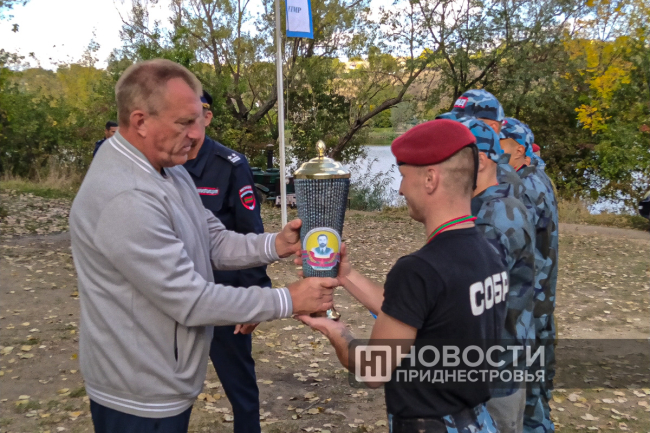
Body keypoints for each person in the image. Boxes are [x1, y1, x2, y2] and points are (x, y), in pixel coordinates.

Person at [69, 59, 338, 433]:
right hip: (138, 395)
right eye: (184, 123)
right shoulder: (125, 196)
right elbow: (190, 300)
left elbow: (212, 239)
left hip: (163, 379)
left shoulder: (170, 169)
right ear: (140, 121)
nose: (197, 134)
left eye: (199, 119)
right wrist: (288, 299)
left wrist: (277, 244)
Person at [299, 119, 507, 433]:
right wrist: (347, 275)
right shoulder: (490, 252)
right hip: (478, 422)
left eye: (404, 176)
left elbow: (373, 371)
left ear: (430, 179)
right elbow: (419, 312)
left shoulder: (420, 269)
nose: (400, 189)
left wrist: (335, 330)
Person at [183, 90, 267, 433]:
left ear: (208, 116)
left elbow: (250, 231)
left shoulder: (230, 165)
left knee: (239, 385)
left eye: (193, 116)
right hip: (176, 293)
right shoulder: (162, 164)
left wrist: (255, 297)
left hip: (224, 293)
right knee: (171, 386)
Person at [454, 117, 536, 433]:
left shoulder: (491, 219)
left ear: (480, 161)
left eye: (452, 161)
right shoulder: (499, 202)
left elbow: (471, 304)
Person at [501, 122, 558, 433]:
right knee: (538, 387)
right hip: (540, 298)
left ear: (518, 149)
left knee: (529, 398)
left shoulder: (524, 188)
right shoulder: (537, 176)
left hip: (530, 302)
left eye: (501, 142)